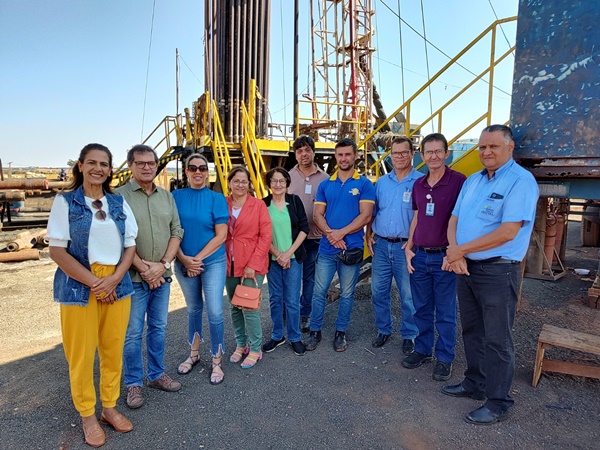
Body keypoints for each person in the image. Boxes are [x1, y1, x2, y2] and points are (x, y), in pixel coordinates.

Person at [442, 124, 539, 425]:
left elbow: (508, 232)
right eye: (482, 147)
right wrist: (455, 251)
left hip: (497, 269)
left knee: (498, 338)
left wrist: (459, 251)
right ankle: (475, 382)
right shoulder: (473, 181)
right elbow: (454, 218)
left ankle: (498, 401)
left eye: (493, 146)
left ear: (509, 148)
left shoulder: (521, 182)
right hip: (466, 267)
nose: (486, 152)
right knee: (472, 330)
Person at [48, 143, 138, 447]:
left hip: (116, 282)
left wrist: (113, 280)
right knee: (82, 354)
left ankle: (109, 408)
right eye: (92, 163)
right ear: (81, 166)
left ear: (111, 169)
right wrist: (95, 283)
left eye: (104, 164)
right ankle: (87, 414)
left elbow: (130, 245)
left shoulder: (118, 203)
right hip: (79, 284)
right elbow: (57, 250)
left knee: (113, 349)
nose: (98, 168)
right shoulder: (65, 202)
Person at [117, 145, 183, 409]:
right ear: (130, 165)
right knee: (132, 333)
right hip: (134, 279)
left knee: (158, 328)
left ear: (157, 166)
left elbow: (176, 231)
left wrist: (163, 264)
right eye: (140, 163)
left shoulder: (166, 197)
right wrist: (145, 269)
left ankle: (156, 375)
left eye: (151, 163)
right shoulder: (118, 196)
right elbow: (118, 237)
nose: (147, 167)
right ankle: (133, 384)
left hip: (162, 276)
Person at [402, 133, 465, 381]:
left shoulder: (459, 182)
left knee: (446, 312)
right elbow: (417, 218)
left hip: (445, 259)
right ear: (422, 155)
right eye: (429, 152)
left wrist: (456, 252)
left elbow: (463, 220)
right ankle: (423, 349)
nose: (434, 156)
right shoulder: (418, 184)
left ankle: (445, 357)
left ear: (447, 153)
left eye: (438, 151)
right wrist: (409, 247)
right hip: (419, 256)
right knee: (422, 308)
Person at [305, 137, 375, 352]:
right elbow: (317, 214)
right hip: (327, 249)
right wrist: (331, 235)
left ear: (355, 156)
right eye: (340, 154)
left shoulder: (364, 184)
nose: (344, 158)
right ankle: (315, 331)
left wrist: (340, 234)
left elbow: (365, 216)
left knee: (347, 293)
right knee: (319, 291)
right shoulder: (326, 185)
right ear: (336, 157)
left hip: (351, 249)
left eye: (347, 154)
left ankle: (340, 333)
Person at [172, 154, 229, 384]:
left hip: (212, 260)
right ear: (186, 172)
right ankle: (193, 355)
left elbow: (221, 235)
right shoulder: (175, 196)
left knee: (214, 311)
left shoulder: (216, 198)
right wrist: (184, 259)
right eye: (193, 168)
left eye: (202, 168)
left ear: (208, 172)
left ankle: (216, 360)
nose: (198, 172)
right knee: (194, 309)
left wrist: (195, 259)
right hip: (183, 260)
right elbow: (170, 231)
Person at [366, 136, 423, 353]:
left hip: (404, 248)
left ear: (411, 154)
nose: (399, 156)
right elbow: (373, 211)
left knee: (408, 296)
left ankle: (410, 334)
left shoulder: (420, 181)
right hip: (380, 245)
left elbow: (422, 218)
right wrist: (368, 234)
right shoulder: (382, 182)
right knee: (379, 292)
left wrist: (412, 241)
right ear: (390, 155)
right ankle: (384, 329)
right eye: (395, 153)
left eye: (403, 152)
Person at [224, 166, 272, 368]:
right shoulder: (222, 203)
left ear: (249, 184)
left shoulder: (258, 205)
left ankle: (255, 348)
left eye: (244, 181)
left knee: (249, 307)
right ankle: (240, 343)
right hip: (228, 264)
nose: (240, 185)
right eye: (236, 181)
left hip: (252, 264)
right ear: (229, 183)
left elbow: (266, 236)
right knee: (235, 306)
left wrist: (252, 264)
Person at [262, 167, 310, 356]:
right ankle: (277, 335)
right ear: (269, 184)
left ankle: (295, 337)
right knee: (275, 299)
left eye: (282, 181)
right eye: (274, 181)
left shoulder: (295, 201)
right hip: (272, 260)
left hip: (293, 258)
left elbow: (304, 229)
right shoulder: (263, 204)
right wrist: (278, 254)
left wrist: (288, 253)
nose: (278, 184)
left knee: (291, 300)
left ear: (287, 183)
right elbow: (260, 233)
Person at [288, 135, 329, 332]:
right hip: (293, 239)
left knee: (310, 279)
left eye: (307, 150)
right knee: (292, 278)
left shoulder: (325, 179)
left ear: (314, 152)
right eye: (299, 151)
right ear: (295, 155)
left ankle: (305, 313)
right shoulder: (288, 177)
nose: (304, 154)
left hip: (316, 238)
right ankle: (291, 311)